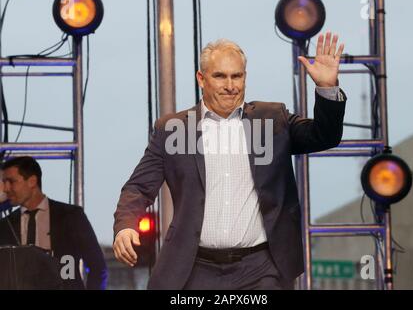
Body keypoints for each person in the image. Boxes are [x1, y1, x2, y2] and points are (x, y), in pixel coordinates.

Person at [113, 32, 346, 289]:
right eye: (220, 76)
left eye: (237, 76)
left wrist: (327, 88)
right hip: (194, 267)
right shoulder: (173, 129)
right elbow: (138, 187)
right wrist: (126, 226)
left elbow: (324, 136)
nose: (230, 85)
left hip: (260, 268)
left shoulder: (272, 119)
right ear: (201, 79)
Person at [0, 156, 107, 290]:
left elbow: (97, 265)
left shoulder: (71, 215)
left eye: (11, 181)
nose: (6, 188)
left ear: (32, 181)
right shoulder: (5, 224)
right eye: (4, 182)